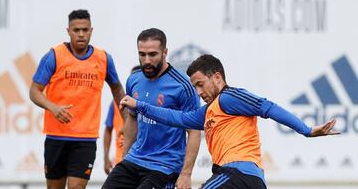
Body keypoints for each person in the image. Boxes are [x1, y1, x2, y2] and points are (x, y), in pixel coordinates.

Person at [120, 54, 340, 189]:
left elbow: (268, 107)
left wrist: (307, 130)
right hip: (240, 179)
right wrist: (140, 106)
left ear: (217, 77)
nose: (197, 92)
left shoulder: (229, 97)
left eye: (200, 84)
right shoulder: (208, 111)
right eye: (194, 87)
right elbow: (176, 118)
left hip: (238, 175)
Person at [29, 9, 126, 189]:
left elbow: (117, 88)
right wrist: (53, 107)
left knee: (77, 187)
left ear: (91, 30)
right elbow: (34, 91)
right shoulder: (55, 55)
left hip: (85, 138)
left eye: (85, 29)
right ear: (68, 31)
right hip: (56, 136)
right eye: (76, 30)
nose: (81, 34)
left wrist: (127, 120)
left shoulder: (103, 58)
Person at [102, 28, 201, 189]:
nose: (146, 60)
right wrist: (125, 158)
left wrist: (186, 174)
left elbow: (194, 131)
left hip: (164, 166)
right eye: (142, 54)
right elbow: (132, 119)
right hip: (135, 159)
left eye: (152, 54)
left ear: (165, 52)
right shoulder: (133, 80)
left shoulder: (183, 86)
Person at [103, 65, 141, 175]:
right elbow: (108, 129)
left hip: (144, 162)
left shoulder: (152, 103)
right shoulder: (117, 103)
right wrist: (106, 157)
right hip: (121, 160)